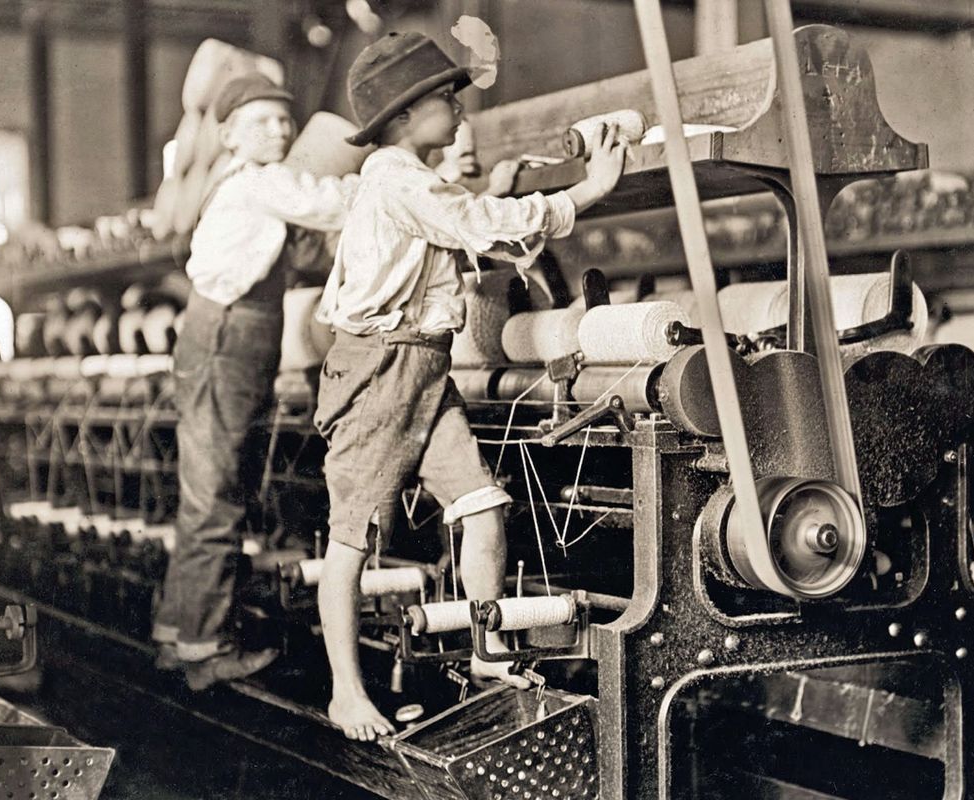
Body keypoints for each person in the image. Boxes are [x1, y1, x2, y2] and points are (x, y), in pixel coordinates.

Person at [314, 31, 625, 741]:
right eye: (446, 99)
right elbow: (478, 224)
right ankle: (345, 693)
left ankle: (487, 650)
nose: (460, 109)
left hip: (424, 366)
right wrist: (588, 190)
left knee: (483, 506)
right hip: (380, 371)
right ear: (402, 116)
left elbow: (472, 222)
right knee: (351, 540)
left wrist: (506, 193)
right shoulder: (398, 179)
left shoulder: (413, 180)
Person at [152, 73, 358, 691]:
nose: (279, 130)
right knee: (216, 496)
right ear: (228, 135)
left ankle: (179, 633)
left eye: (283, 119)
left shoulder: (248, 184)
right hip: (228, 340)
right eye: (261, 121)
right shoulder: (258, 181)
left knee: (208, 493)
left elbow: (305, 253)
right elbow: (332, 203)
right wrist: (397, 177)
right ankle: (206, 650)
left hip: (226, 338)